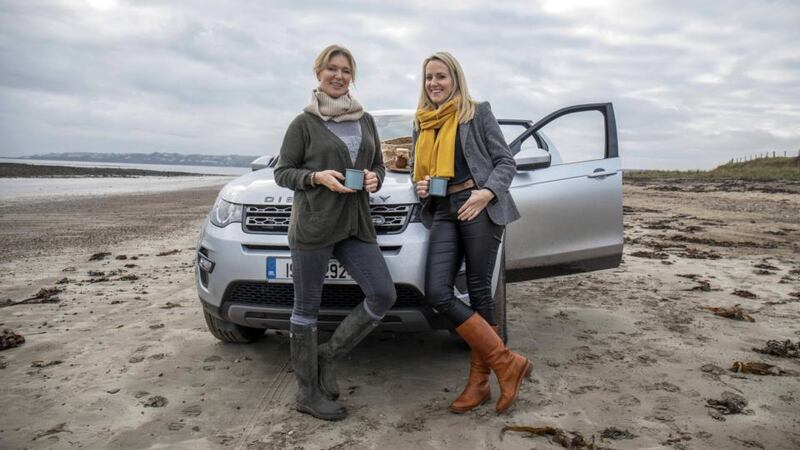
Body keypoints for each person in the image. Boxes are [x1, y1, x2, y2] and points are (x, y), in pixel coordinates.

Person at [274, 44, 396, 421]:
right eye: (332, 68)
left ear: (352, 76)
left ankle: (328, 356)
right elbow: (283, 171)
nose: (339, 75)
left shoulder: (366, 120)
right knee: (306, 308)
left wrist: (377, 177)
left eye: (345, 70)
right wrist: (315, 177)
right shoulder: (304, 123)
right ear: (319, 74)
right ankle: (307, 393)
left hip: (356, 223)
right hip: (314, 225)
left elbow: (377, 163)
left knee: (382, 293)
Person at [411, 51, 532, 414]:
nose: (434, 83)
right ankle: (506, 361)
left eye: (441, 76)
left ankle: (478, 383)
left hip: (477, 204)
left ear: (455, 79)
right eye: (429, 77)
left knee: (480, 292)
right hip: (444, 208)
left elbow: (505, 161)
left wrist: (488, 192)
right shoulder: (422, 122)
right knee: (437, 291)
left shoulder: (477, 112)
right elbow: (426, 169)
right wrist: (422, 185)